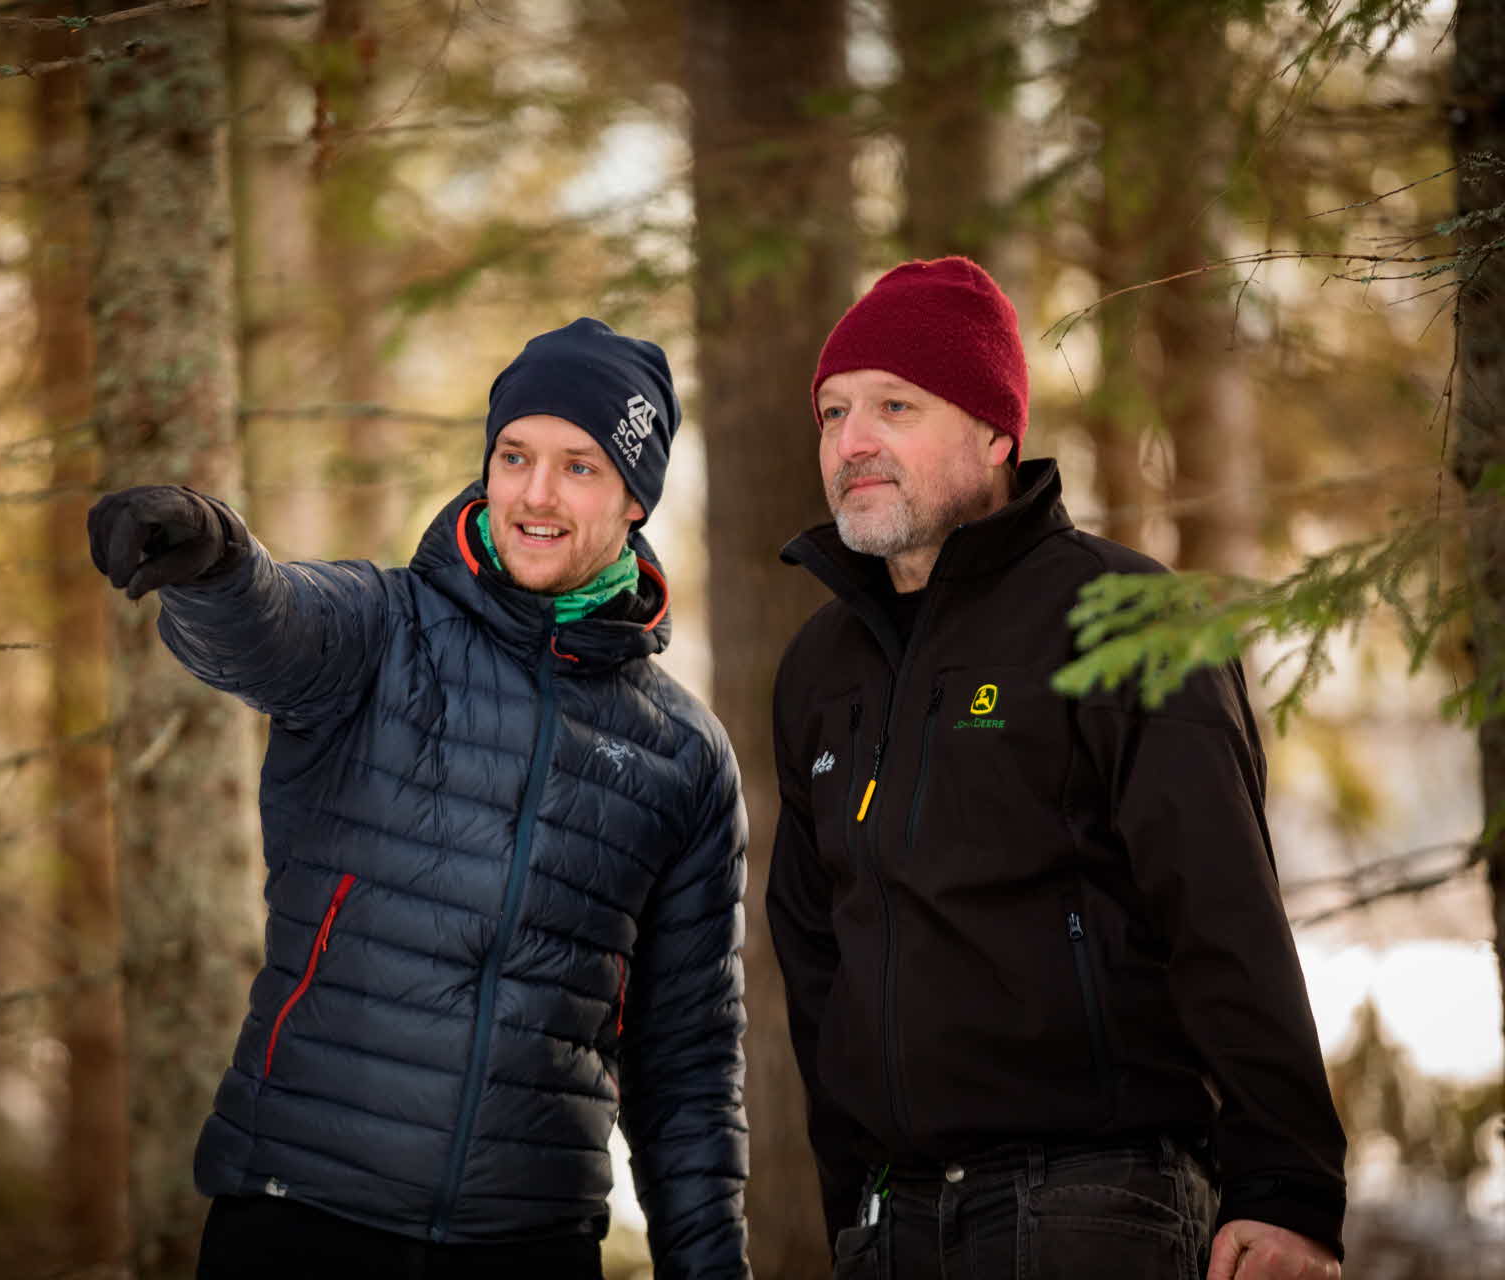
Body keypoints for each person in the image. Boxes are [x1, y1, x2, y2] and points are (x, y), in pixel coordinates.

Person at [87, 318, 750, 1280]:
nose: (534, 493)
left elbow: (686, 1059)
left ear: (635, 501)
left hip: (529, 1242)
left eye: (579, 467)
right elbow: (269, 621)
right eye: (514, 455)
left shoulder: (682, 755)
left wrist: (710, 1267)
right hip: (299, 1215)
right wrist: (213, 560)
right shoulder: (381, 629)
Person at [767, 257, 1348, 1280]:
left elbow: (1223, 915)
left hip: (1091, 1202)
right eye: (833, 413)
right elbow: (815, 952)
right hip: (892, 1219)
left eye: (895, 405)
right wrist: (847, 1203)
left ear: (996, 431)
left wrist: (1289, 1189)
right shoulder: (821, 665)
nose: (852, 441)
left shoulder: (1125, 618)